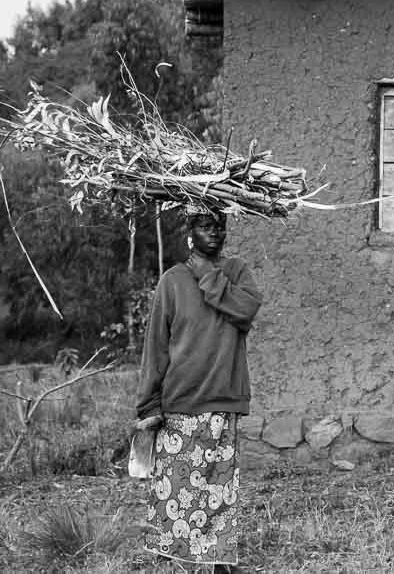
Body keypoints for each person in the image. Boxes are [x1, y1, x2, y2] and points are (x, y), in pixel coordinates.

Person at [133, 206, 263, 569]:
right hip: (180, 406)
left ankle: (218, 561)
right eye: (205, 226)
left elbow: (245, 309)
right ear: (190, 234)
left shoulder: (236, 272)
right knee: (178, 491)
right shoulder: (172, 282)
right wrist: (148, 405)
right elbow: (156, 346)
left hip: (223, 400)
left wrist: (209, 274)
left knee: (219, 489)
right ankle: (182, 562)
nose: (215, 233)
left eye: (219, 226)